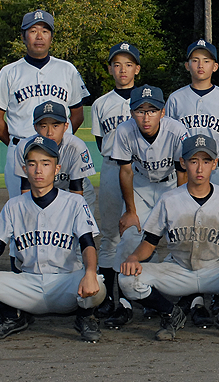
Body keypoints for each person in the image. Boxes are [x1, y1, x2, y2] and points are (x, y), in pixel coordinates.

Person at [118, 135, 219, 340]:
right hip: (178, 271)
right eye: (193, 161)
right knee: (126, 278)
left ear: (215, 163)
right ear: (183, 163)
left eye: (205, 161)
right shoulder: (169, 199)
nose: (199, 168)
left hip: (216, 271)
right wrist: (133, 257)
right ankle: (171, 313)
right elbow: (149, 243)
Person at [0, 136, 105, 342]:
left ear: (56, 169)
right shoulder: (14, 206)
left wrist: (89, 272)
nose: (38, 170)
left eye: (46, 164)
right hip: (28, 285)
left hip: (66, 284)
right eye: (32, 164)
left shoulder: (74, 202)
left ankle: (85, 317)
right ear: (24, 168)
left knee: (98, 282)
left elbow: (88, 244)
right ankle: (13, 317)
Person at [104, 84, 189, 328]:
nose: (146, 116)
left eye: (152, 110)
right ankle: (126, 305)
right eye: (140, 111)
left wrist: (180, 205)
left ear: (162, 112)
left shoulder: (177, 130)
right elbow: (126, 171)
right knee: (130, 239)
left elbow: (182, 171)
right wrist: (130, 211)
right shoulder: (124, 131)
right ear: (132, 113)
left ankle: (189, 299)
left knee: (181, 239)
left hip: (171, 186)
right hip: (140, 187)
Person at [0, 9, 90, 198]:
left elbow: (77, 114)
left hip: (60, 153)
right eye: (33, 30)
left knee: (64, 211)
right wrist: (18, 146)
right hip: (21, 150)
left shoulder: (68, 70)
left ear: (51, 37)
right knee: (22, 211)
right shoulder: (9, 72)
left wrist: (61, 138)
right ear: (23, 37)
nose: (39, 36)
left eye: (45, 30)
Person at [90, 42, 140, 317]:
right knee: (109, 234)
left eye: (128, 64)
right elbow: (101, 143)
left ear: (137, 69)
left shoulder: (149, 100)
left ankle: (136, 295)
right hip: (111, 167)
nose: (122, 69)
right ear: (110, 69)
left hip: (143, 172)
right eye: (117, 64)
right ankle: (109, 297)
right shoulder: (101, 103)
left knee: (139, 232)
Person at [166, 39, 219, 191]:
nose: (200, 65)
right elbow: (169, 140)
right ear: (187, 65)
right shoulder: (175, 98)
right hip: (186, 169)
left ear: (215, 66)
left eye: (206, 61)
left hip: (218, 170)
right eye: (195, 60)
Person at [13, 101, 96, 207]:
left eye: (55, 125)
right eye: (43, 126)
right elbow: (26, 187)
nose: (50, 132)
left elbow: (76, 189)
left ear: (66, 126)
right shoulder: (24, 147)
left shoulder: (76, 147)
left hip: (77, 192)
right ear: (35, 127)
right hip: (41, 192)